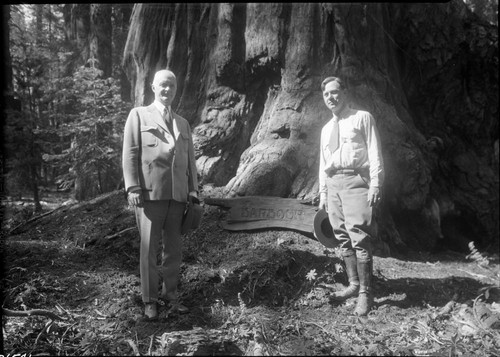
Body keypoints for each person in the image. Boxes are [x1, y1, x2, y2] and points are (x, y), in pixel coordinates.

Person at [122, 69, 199, 320]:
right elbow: (130, 153)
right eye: (163, 85)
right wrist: (132, 187)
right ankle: (150, 300)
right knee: (148, 250)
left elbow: (190, 162)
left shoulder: (183, 123)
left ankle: (171, 295)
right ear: (153, 87)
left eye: (172, 86)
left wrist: (193, 191)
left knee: (173, 250)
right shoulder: (138, 115)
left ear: (176, 90)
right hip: (149, 195)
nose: (167, 90)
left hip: (177, 197)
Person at [318, 76, 384, 316]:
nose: (331, 98)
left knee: (359, 235)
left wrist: (376, 184)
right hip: (333, 182)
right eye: (326, 94)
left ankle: (366, 293)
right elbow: (323, 163)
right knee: (341, 234)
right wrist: (323, 192)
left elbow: (375, 152)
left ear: (344, 93)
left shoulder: (362, 118)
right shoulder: (326, 129)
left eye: (334, 92)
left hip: (357, 182)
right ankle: (353, 284)